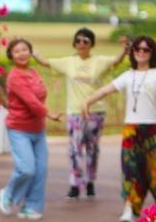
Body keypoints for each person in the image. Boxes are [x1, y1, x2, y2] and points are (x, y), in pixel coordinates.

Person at [81, 35, 156, 222]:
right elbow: (106, 90)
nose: (141, 52)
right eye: (137, 49)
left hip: (153, 128)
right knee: (130, 170)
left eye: (146, 49)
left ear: (152, 53)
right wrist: (88, 101)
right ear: (133, 52)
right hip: (131, 129)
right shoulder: (128, 76)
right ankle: (130, 209)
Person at [34, 27, 129, 200]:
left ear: (91, 44)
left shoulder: (99, 61)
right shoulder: (69, 61)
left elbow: (117, 61)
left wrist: (125, 48)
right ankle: (75, 184)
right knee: (74, 149)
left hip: (95, 112)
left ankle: (90, 181)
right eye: (78, 41)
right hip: (75, 112)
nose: (81, 44)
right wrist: (31, 51)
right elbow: (46, 63)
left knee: (92, 149)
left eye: (85, 41)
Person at [0, 38, 62, 220]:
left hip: (37, 129)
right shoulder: (15, 77)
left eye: (25, 49)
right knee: (26, 168)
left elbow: (41, 95)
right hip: (19, 128)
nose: (22, 53)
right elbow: (32, 102)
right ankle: (8, 194)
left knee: (40, 170)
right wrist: (50, 115)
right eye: (17, 51)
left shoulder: (34, 73)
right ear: (11, 56)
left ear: (30, 52)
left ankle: (31, 206)